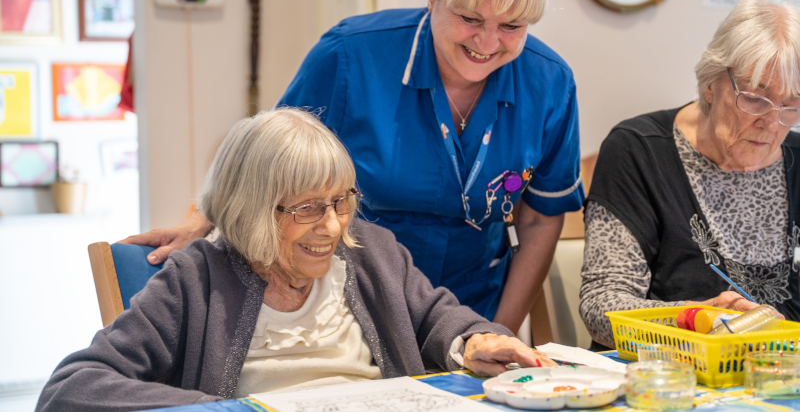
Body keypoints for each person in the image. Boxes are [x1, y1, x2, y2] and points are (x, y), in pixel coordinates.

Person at [124, 0, 584, 333]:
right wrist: (204, 219)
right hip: (344, 311)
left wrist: (495, 331)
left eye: (512, 26)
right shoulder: (350, 57)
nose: (487, 43)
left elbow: (541, 221)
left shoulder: (550, 83)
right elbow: (261, 163)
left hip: (472, 310)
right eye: (469, 17)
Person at [37, 108, 553, 412]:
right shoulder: (197, 278)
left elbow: (437, 315)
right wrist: (219, 411)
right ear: (251, 208)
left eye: (340, 201)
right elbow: (70, 388)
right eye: (307, 208)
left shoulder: (372, 253)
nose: (331, 225)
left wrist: (476, 340)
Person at [579, 0, 800, 348]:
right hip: (666, 382)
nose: (772, 124)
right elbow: (602, 307)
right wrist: (698, 317)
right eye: (755, 99)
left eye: (790, 106)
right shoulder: (638, 151)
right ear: (711, 83)